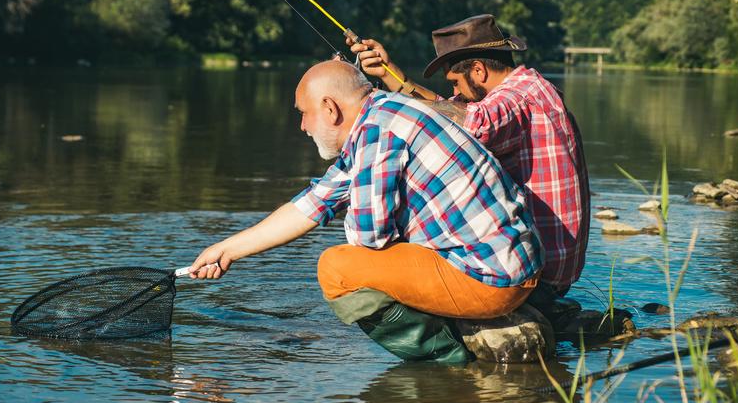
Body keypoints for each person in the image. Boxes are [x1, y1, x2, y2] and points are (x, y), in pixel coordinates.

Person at [189, 59, 542, 362]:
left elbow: (368, 238)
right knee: (362, 257)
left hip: (491, 278)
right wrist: (227, 250)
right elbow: (310, 205)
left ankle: (447, 358)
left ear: (330, 108)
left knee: (338, 269)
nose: (302, 127)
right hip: (507, 263)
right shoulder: (383, 113)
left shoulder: (378, 132)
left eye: (304, 114)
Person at [347, 14, 589, 316]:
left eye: (457, 82)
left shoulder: (517, 99)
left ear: (479, 70)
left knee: (376, 264)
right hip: (550, 269)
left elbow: (469, 123)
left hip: (534, 275)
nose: (456, 92)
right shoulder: (533, 87)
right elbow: (453, 112)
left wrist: (384, 105)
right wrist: (393, 78)